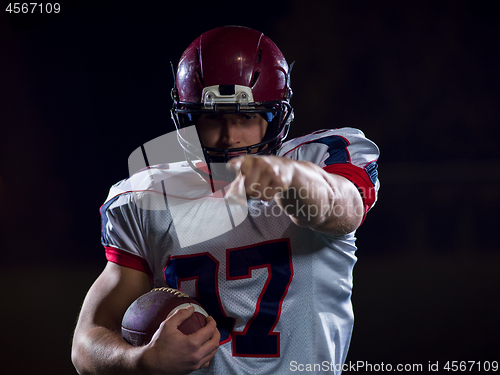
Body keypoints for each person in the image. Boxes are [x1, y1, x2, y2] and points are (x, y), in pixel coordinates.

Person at [71, 26, 380, 375]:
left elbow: (343, 209)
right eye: (212, 118)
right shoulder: (146, 197)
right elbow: (86, 343)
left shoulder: (319, 161)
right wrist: (141, 360)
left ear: (275, 116)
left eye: (246, 117)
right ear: (188, 118)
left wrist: (290, 180)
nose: (229, 136)